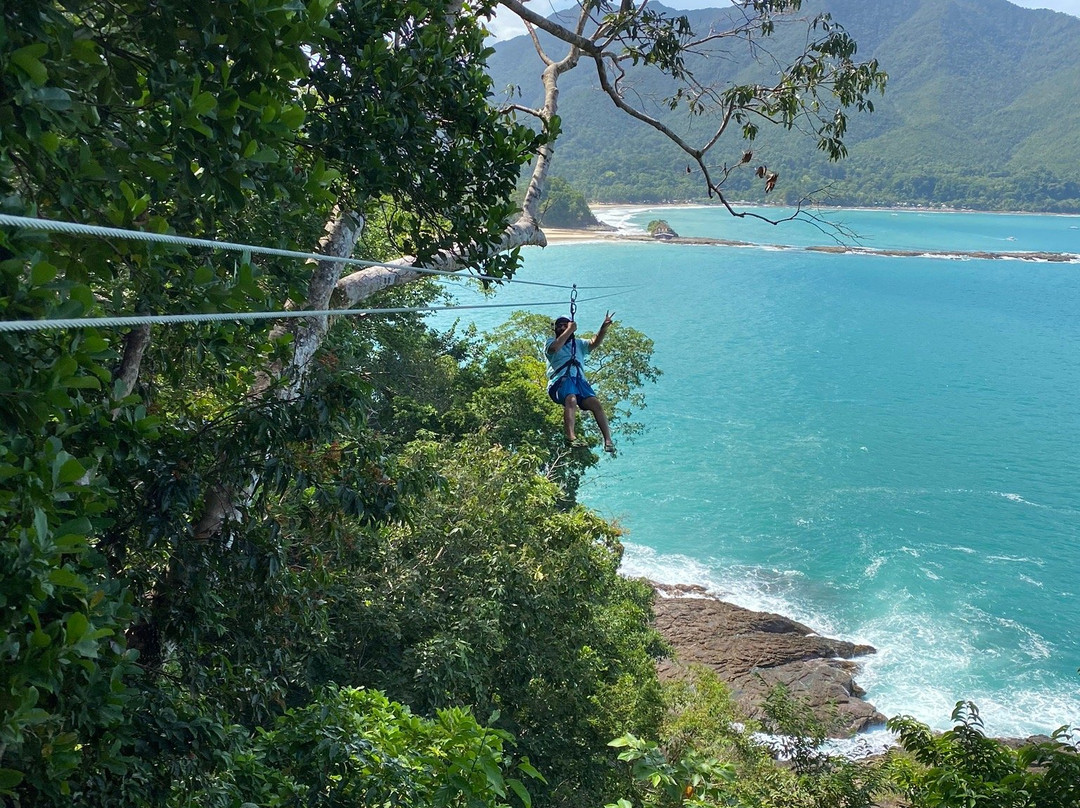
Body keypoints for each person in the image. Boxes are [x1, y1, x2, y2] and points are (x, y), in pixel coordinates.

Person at [545, 311, 616, 453]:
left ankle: (608, 440)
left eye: (565, 326)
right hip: (559, 382)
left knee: (595, 404)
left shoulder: (579, 344)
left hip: (579, 382)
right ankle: (570, 437)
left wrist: (603, 328)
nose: (561, 328)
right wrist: (570, 329)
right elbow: (554, 348)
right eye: (559, 326)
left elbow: (594, 343)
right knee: (571, 399)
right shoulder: (550, 343)